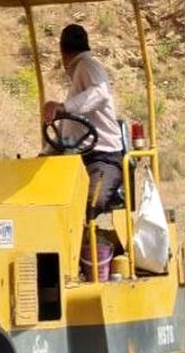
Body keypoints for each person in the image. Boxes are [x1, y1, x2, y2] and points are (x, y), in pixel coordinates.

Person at [42, 23, 125, 217]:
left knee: (91, 201)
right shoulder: (77, 84)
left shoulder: (86, 65)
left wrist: (62, 108)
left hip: (102, 157)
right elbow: (66, 131)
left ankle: (91, 244)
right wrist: (44, 155)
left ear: (62, 50)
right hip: (76, 159)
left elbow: (100, 93)